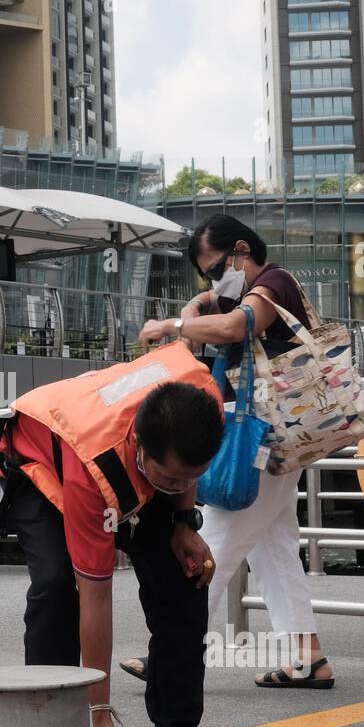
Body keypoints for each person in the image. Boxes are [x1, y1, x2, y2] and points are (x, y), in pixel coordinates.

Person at [0, 339, 245, 727]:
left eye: (192, 476)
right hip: (41, 460)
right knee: (56, 588)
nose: (182, 484)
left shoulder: (201, 401)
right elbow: (98, 598)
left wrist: (184, 519)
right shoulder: (96, 468)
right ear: (139, 445)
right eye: (172, 479)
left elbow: (180, 471)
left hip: (131, 462)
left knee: (185, 583)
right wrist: (100, 715)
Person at [125, 214, 335, 690]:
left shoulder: (275, 283)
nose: (216, 280)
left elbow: (235, 327)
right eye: (208, 274)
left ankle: (173, 648)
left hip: (264, 437)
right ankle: (309, 658)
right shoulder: (240, 290)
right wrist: (199, 300)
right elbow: (209, 310)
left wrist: (176, 322)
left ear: (242, 250)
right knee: (275, 548)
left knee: (215, 538)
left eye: (218, 268)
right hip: (271, 435)